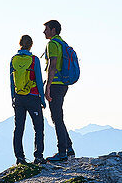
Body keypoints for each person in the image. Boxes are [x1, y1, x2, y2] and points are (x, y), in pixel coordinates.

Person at [9, 34, 46, 165]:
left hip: (19, 98)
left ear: (20, 44)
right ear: (31, 45)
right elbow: (39, 81)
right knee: (38, 128)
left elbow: (11, 82)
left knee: (19, 128)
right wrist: (42, 99)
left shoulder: (13, 60)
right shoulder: (34, 60)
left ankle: (20, 158)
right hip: (33, 97)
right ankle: (38, 156)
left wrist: (13, 98)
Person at [43, 19, 75, 161]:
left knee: (57, 118)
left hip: (55, 84)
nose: (44, 32)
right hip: (63, 84)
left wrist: (47, 86)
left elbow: (53, 64)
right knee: (58, 117)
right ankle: (68, 148)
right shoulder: (62, 43)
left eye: (46, 29)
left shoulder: (52, 44)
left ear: (53, 30)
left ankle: (62, 152)